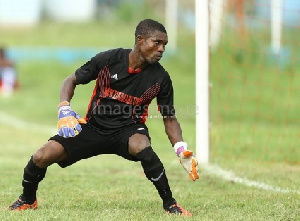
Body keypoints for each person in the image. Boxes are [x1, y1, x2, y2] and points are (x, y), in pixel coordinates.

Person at [8, 19, 199, 216]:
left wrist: (181, 149)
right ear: (140, 40)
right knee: (42, 155)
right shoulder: (109, 60)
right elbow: (70, 80)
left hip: (129, 130)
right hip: (92, 127)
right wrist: (64, 108)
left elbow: (169, 118)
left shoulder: (161, 78)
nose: (161, 49)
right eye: (156, 42)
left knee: (141, 145)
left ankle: (170, 205)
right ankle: (28, 200)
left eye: (164, 45)